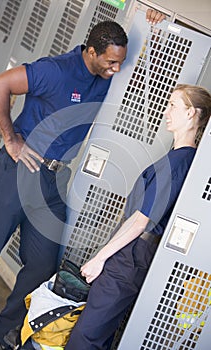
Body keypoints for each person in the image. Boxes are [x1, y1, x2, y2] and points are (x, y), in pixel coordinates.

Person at [0, 9, 165, 350]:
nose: (116, 69)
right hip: (18, 172)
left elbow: (142, 73)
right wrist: (11, 139)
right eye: (110, 62)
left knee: (42, 264)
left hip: (51, 179)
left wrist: (155, 30)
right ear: (91, 52)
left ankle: (0, 334)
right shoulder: (56, 70)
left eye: (119, 63)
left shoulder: (106, 75)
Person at [65, 84, 211, 350]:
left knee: (85, 337)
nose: (166, 112)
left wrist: (99, 258)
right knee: (98, 335)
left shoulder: (178, 163)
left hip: (128, 259)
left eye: (173, 106)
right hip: (130, 256)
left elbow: (141, 221)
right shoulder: (180, 159)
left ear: (191, 113)